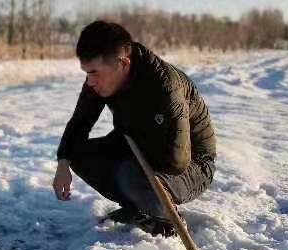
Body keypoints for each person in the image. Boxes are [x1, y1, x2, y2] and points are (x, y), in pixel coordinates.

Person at [52, 20, 216, 236]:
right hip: (137, 145)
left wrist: (131, 148)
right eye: (87, 73)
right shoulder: (102, 79)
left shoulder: (165, 88)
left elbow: (177, 161)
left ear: (123, 64)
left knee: (130, 173)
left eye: (94, 73)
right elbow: (80, 122)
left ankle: (164, 219)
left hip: (193, 165)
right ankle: (139, 208)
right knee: (78, 153)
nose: (90, 82)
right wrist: (63, 160)